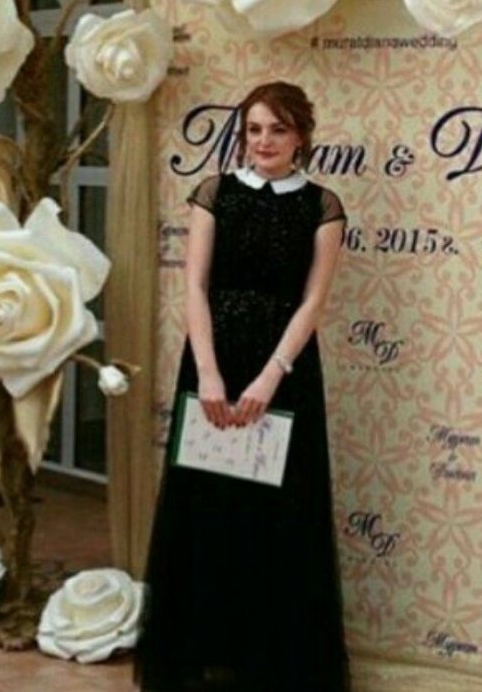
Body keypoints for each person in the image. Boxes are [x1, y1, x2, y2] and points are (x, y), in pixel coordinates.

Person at [136, 81, 350, 692]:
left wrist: (271, 374)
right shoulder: (215, 194)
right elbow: (195, 287)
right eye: (254, 129)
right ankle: (206, 654)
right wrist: (208, 373)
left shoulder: (323, 206)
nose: (264, 141)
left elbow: (313, 303)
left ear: (300, 136)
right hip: (212, 367)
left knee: (277, 519)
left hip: (284, 374)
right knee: (208, 510)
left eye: (277, 130)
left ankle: (269, 664)